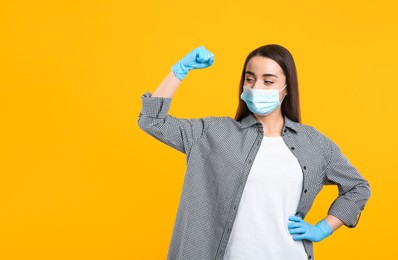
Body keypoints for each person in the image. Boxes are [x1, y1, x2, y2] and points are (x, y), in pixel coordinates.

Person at [137, 44, 371, 260]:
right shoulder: (213, 133)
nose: (256, 87)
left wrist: (323, 228)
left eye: (268, 81)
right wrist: (179, 70)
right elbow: (152, 121)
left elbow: (358, 187)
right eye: (250, 79)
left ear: (287, 88)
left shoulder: (313, 143)